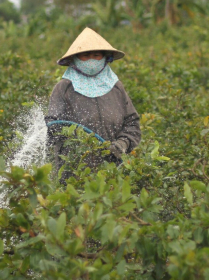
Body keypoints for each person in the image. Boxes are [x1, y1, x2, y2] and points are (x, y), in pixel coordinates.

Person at [45, 28, 141, 177]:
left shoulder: (116, 87)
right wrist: (80, 137)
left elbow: (132, 123)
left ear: (105, 58)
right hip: (74, 171)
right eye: (86, 55)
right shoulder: (64, 88)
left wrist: (122, 144)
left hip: (113, 169)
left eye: (96, 55)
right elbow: (53, 126)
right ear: (75, 58)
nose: (91, 60)